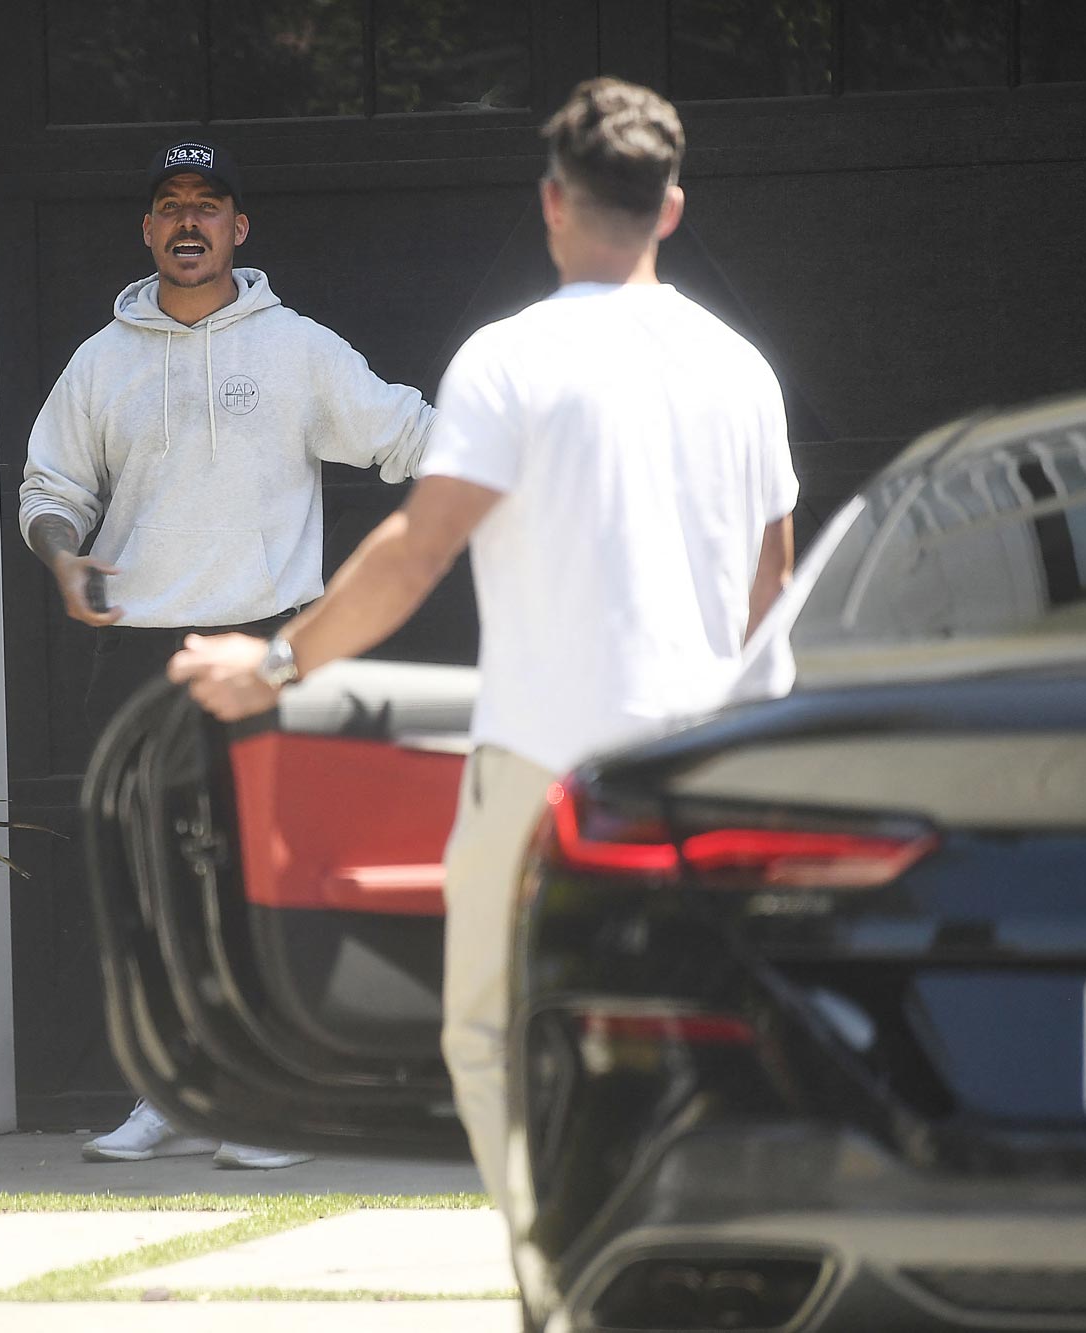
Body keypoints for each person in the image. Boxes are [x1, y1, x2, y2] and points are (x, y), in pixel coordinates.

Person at [168, 78, 798, 1277]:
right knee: (703, 1036)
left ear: (553, 202)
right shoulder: (742, 371)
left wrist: (277, 661)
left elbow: (415, 552)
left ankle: (554, 1266)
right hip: (707, 780)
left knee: (494, 1039)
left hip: (540, 781)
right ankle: (694, 1265)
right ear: (669, 207)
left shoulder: (506, 361)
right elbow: (771, 589)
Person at [19, 140, 436, 1169]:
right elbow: (49, 492)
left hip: (268, 646)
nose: (189, 221)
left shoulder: (296, 349)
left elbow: (414, 438)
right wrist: (62, 561)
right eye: (170, 206)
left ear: (239, 228)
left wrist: (488, 508)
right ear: (147, 229)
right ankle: (171, 1093)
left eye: (208, 204)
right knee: (156, 882)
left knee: (269, 879)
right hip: (141, 655)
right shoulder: (100, 360)